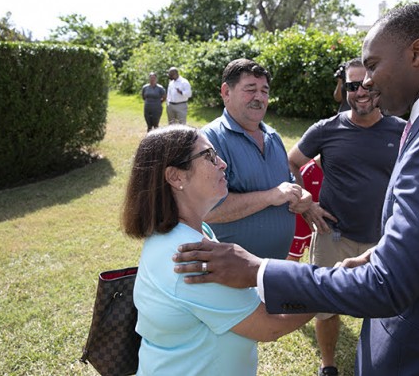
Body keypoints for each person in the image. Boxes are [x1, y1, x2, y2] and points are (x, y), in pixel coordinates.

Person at [173, 4, 419, 375]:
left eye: (373, 65)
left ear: (416, 53)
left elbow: (387, 287)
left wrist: (258, 270)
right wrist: (381, 254)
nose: (366, 83)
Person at [121, 125, 313, 376]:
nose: (222, 164)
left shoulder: (190, 232)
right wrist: (330, 291)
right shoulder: (189, 255)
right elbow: (270, 325)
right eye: (209, 156)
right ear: (176, 177)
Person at [287, 57, 406, 376]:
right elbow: (292, 161)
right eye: (353, 86)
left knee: (384, 309)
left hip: (383, 241)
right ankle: (328, 365)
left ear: (378, 86)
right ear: (345, 90)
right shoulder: (326, 130)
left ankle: (377, 363)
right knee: (325, 307)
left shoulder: (402, 131)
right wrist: (307, 202)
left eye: (367, 84)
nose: (360, 92)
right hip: (332, 237)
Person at [201, 58, 311, 259]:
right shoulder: (209, 140)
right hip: (230, 270)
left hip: (273, 268)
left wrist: (302, 195)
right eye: (250, 89)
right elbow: (209, 210)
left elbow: (287, 183)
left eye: (264, 91)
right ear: (226, 92)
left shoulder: (273, 137)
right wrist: (270, 196)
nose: (259, 97)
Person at [286, 158, 323, 261]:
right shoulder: (308, 170)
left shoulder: (334, 169)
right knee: (292, 257)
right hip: (301, 220)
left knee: (318, 255)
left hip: (320, 220)